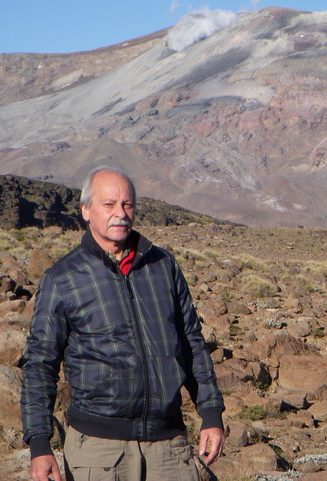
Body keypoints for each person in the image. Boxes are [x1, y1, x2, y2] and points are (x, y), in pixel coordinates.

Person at [21, 166, 225, 481]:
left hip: (167, 446)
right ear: (86, 210)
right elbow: (40, 365)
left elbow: (191, 343)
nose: (121, 213)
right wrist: (38, 443)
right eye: (109, 204)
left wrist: (211, 414)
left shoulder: (162, 266)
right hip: (99, 450)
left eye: (127, 204)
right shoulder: (63, 279)